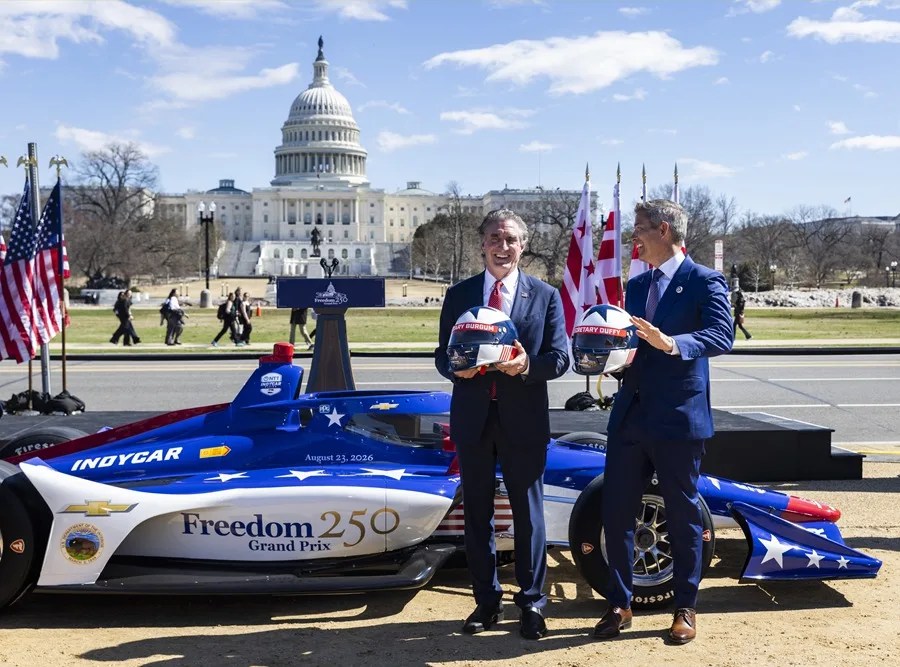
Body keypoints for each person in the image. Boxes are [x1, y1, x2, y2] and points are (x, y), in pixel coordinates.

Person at [593, 199, 733, 645]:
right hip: (630, 417)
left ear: (665, 229)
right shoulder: (636, 286)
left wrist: (668, 342)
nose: (634, 237)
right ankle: (619, 602)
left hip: (678, 419)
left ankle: (685, 608)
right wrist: (609, 358)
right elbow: (632, 350)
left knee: (682, 515)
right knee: (615, 512)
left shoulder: (705, 281)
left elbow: (720, 336)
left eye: (640, 229)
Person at [435, 208, 568, 640]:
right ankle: (486, 603)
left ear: (523, 245)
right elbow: (442, 355)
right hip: (473, 420)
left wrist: (527, 365)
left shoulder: (545, 295)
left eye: (511, 239)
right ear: (483, 244)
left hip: (523, 420)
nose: (503, 246)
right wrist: (459, 369)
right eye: (495, 238)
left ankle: (532, 604)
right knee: (478, 516)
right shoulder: (459, 295)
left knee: (529, 516)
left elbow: (560, 358)